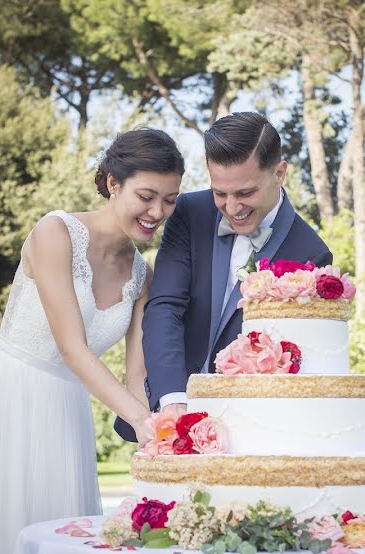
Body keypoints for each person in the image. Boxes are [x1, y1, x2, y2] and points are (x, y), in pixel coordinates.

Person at [0, 128, 184, 554]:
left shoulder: (143, 273)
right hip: (5, 399)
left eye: (169, 201)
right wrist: (142, 419)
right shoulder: (55, 232)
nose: (157, 213)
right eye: (147, 196)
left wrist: (162, 428)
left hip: (66, 413)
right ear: (112, 183)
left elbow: (137, 372)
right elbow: (71, 346)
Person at [114, 112, 332, 441]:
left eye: (245, 193)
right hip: (167, 410)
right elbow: (165, 306)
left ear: (279, 174)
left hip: (247, 426)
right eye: (220, 193)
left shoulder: (311, 253)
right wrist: (172, 400)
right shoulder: (188, 212)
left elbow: (289, 360)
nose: (231, 207)